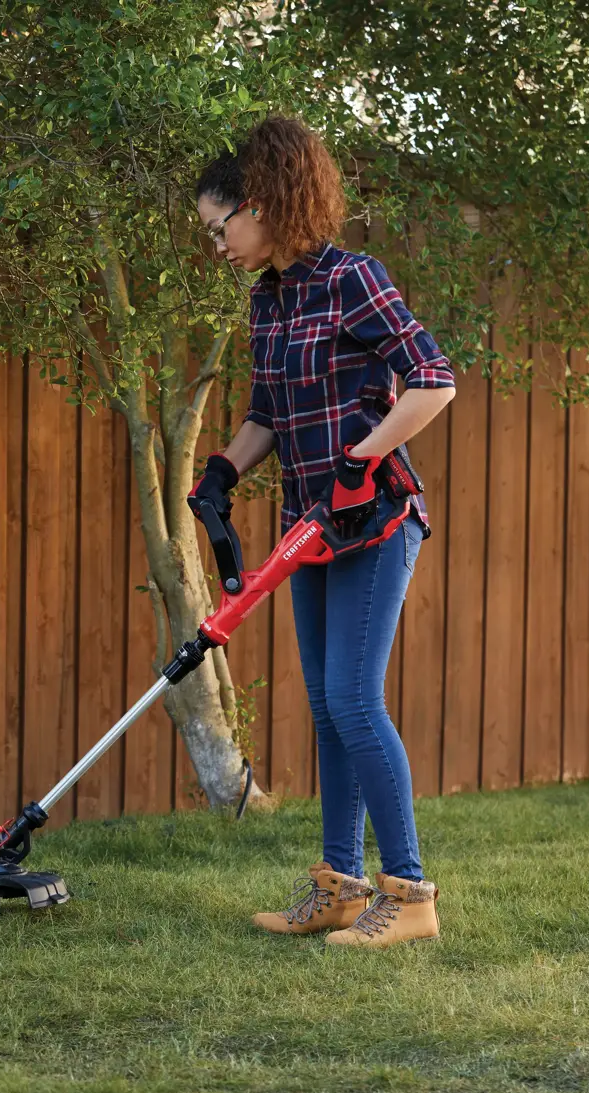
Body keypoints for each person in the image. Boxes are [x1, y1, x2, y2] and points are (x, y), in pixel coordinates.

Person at [189, 116, 456, 949]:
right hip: (312, 527)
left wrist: (367, 455)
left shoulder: (353, 279)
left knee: (352, 700)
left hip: (375, 519)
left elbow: (435, 381)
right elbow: (268, 412)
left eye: (219, 227)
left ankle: (409, 894)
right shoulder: (270, 299)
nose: (217, 246)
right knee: (328, 708)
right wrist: (224, 472)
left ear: (262, 204)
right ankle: (340, 886)